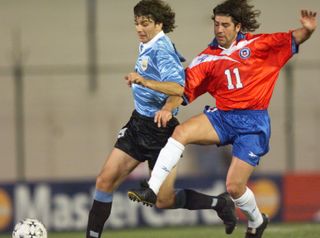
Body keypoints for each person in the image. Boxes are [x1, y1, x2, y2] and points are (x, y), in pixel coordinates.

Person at [127, 0, 317, 237]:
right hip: (224, 117)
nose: (219, 30)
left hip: (253, 124)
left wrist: (308, 30)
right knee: (181, 133)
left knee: (234, 187)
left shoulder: (259, 44)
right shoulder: (206, 59)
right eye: (216, 24)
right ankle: (152, 189)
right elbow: (181, 90)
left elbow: (293, 38)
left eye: (225, 25)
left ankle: (257, 221)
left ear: (238, 27)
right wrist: (168, 107)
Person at [86, 1, 237, 237]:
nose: (139, 28)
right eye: (137, 23)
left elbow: (178, 88)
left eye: (145, 23)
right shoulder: (148, 43)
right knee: (104, 181)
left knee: (164, 201)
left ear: (159, 24)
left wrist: (147, 84)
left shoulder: (161, 50)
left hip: (161, 133)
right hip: (138, 125)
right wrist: (160, 100)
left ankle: (220, 204)